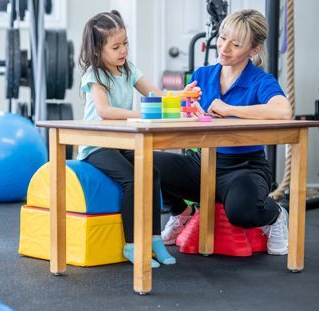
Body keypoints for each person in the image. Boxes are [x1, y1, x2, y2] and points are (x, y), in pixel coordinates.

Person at [156, 9, 293, 255]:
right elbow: (188, 115)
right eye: (222, 37)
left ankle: (275, 215)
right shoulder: (203, 75)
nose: (224, 47)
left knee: (242, 212)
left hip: (243, 167)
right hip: (201, 163)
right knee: (143, 163)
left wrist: (230, 109)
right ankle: (183, 213)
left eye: (236, 43)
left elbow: (283, 111)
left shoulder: (260, 80)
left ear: (254, 50)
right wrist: (184, 106)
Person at [77, 10, 195, 267]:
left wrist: (180, 95)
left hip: (121, 143)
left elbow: (156, 93)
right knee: (132, 180)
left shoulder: (128, 70)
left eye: (126, 43)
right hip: (97, 145)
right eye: (116, 46)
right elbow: (104, 111)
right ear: (98, 51)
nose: (123, 51)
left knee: (152, 174)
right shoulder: (94, 76)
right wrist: (139, 114)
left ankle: (154, 240)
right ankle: (132, 245)